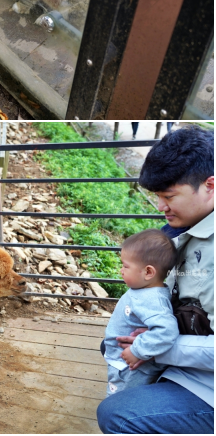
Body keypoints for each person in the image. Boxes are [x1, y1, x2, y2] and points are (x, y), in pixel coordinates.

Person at [98, 126, 213, 433]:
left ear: (210, 185)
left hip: (206, 383)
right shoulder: (181, 228)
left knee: (118, 415)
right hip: (179, 356)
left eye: (168, 196)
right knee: (109, 343)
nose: (160, 207)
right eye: (158, 196)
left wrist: (150, 347)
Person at [102, 229, 180, 396]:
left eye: (125, 266)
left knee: (120, 402)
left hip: (130, 366)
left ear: (148, 272)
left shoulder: (152, 299)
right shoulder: (145, 291)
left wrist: (137, 351)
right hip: (122, 361)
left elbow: (166, 331)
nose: (121, 270)